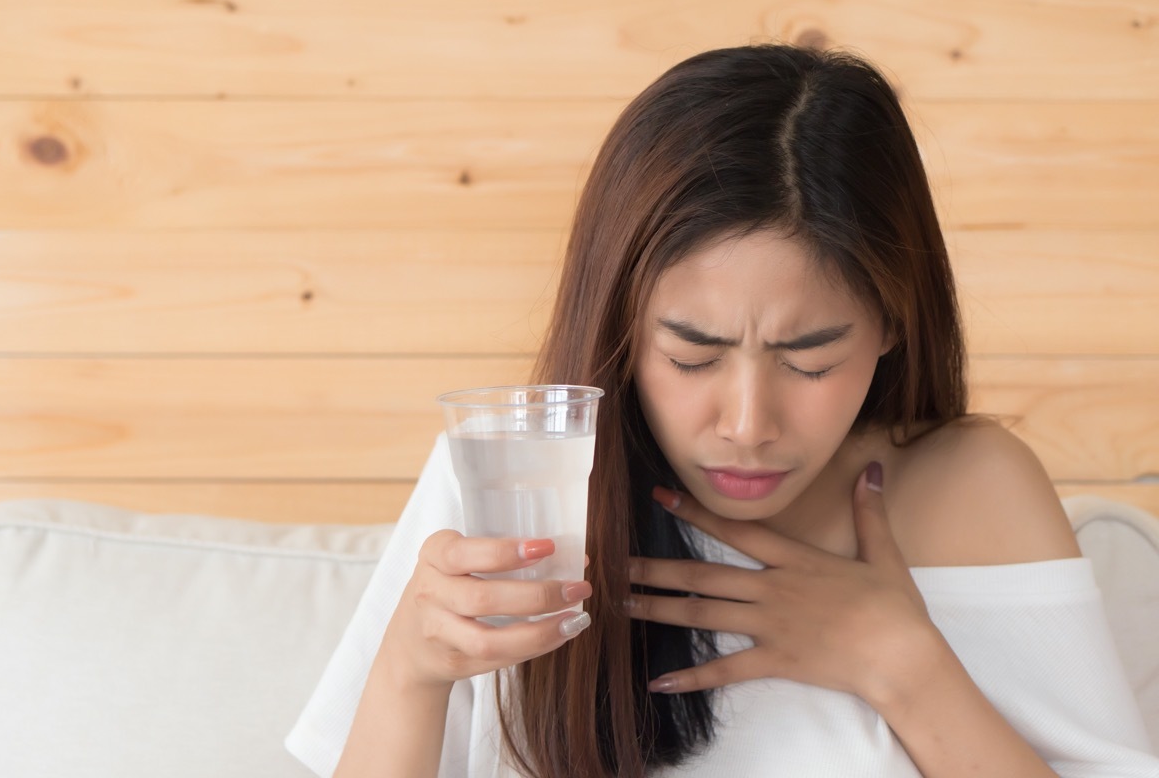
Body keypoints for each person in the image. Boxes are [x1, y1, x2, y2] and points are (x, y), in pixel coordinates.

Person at [285, 44, 1158, 777]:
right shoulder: (515, 471)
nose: (747, 421)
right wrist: (409, 668)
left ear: (894, 320)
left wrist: (903, 666)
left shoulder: (970, 489)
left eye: (810, 357)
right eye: (691, 355)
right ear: (623, 323)